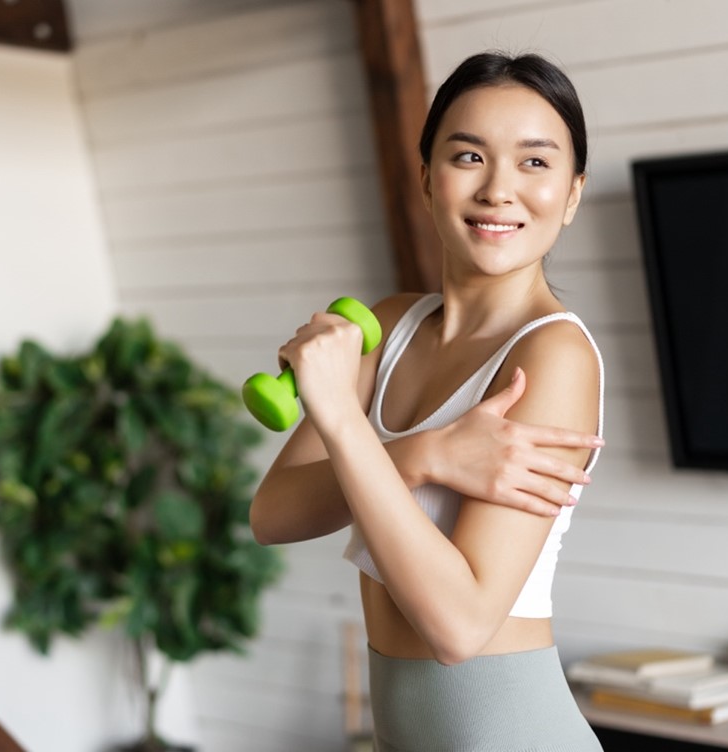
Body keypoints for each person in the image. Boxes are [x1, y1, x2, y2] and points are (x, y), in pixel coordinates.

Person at [250, 51, 605, 751]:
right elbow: (272, 514)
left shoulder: (552, 357)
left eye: (535, 162)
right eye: (469, 156)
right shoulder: (390, 325)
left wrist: (342, 417)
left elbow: (458, 626)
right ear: (426, 180)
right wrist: (424, 454)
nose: (499, 188)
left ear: (571, 194)